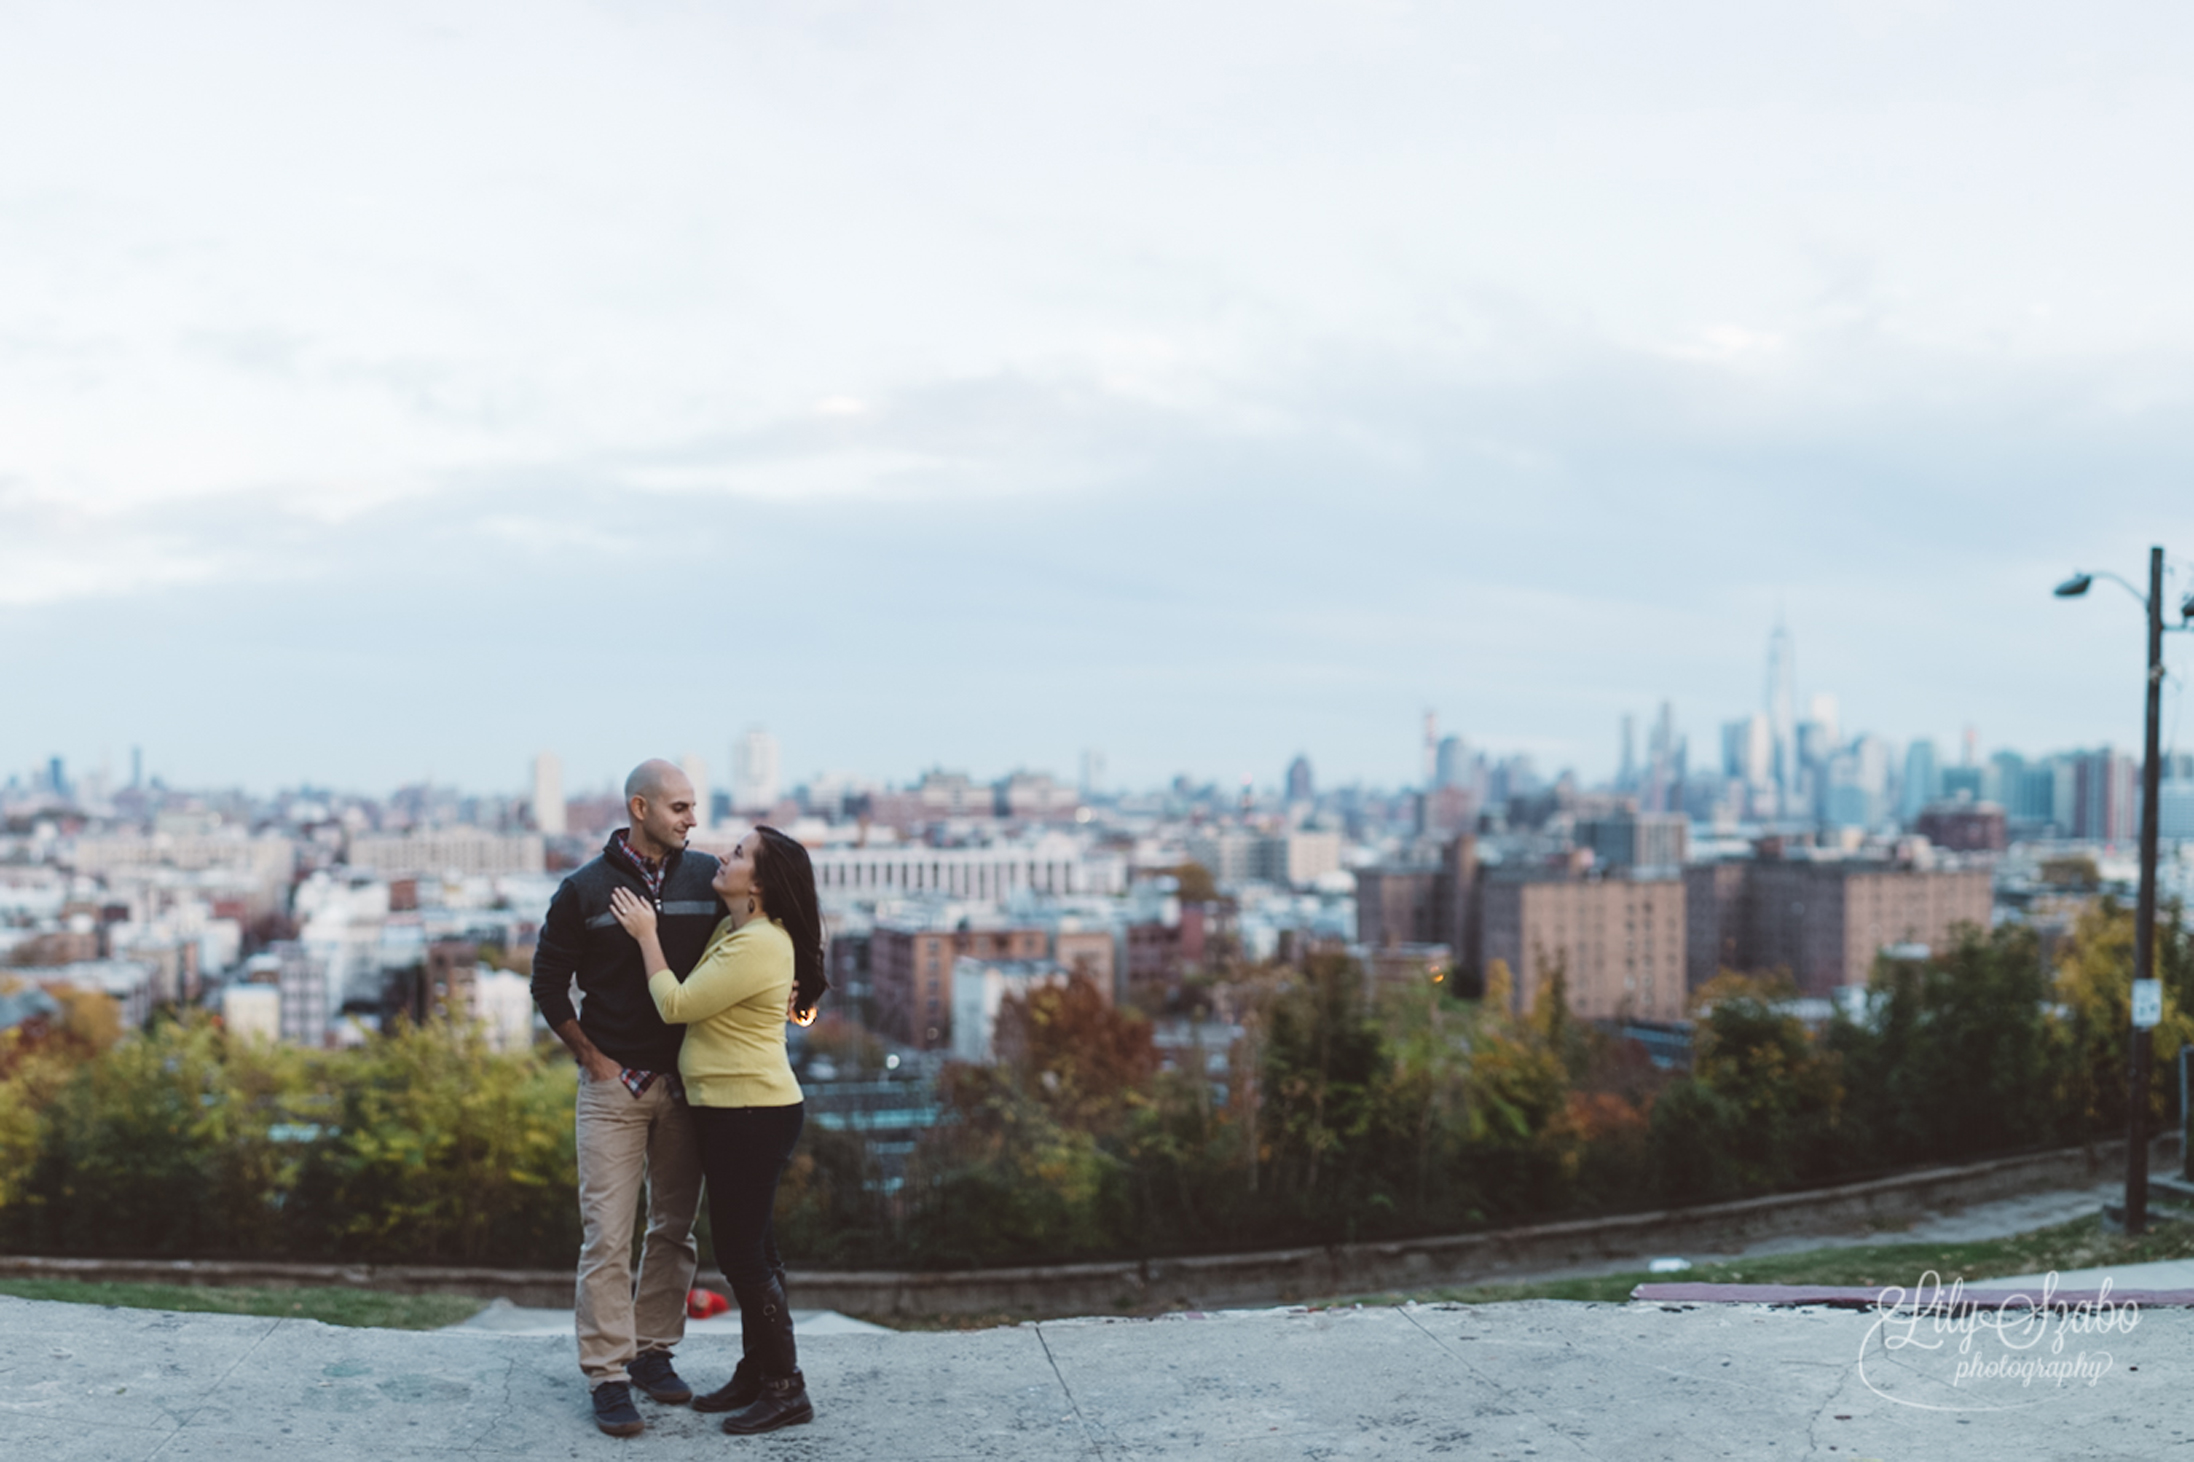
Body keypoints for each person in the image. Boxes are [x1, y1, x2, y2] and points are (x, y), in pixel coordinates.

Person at [610, 823, 828, 1436]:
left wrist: (647, 935)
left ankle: (787, 1388)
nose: (723, 857)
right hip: (736, 1110)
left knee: (741, 1255)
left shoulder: (758, 943)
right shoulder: (737, 930)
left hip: (751, 1114)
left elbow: (676, 1004)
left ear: (756, 885)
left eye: (737, 854)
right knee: (757, 1250)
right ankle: (759, 1374)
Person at [531, 759, 725, 1438]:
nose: (691, 819)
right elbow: (548, 986)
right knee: (606, 1236)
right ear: (639, 808)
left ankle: (652, 1353)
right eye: (679, 807)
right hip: (614, 1090)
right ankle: (608, 1374)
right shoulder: (583, 890)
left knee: (673, 1229)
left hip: (686, 1085)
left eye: (693, 807)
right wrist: (593, 1059)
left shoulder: (710, 879)